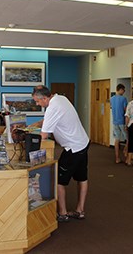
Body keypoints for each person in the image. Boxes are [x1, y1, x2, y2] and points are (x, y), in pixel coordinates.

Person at [31, 85, 90, 222]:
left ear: (45, 98)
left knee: (58, 181)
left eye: (38, 101)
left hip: (73, 148)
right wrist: (33, 125)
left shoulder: (52, 108)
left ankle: (62, 214)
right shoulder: (60, 98)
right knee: (82, 178)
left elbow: (44, 136)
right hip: (82, 143)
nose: (37, 104)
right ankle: (80, 210)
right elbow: (47, 122)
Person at [110, 84, 127, 164]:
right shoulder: (123, 99)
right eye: (123, 90)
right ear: (120, 89)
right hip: (122, 121)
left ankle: (117, 158)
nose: (124, 92)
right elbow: (125, 110)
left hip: (115, 121)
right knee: (128, 139)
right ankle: (126, 154)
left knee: (117, 140)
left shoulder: (112, 99)